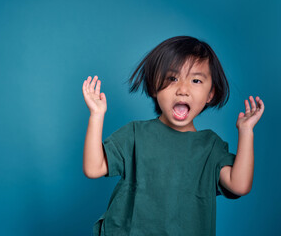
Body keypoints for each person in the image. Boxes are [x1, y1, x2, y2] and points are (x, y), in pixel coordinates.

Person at [82, 36, 264, 236]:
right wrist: (96, 115)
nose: (183, 90)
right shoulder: (136, 134)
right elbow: (93, 168)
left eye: (196, 80)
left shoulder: (210, 146)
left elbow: (239, 186)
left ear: (210, 94)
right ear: (153, 87)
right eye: (172, 78)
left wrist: (246, 131)